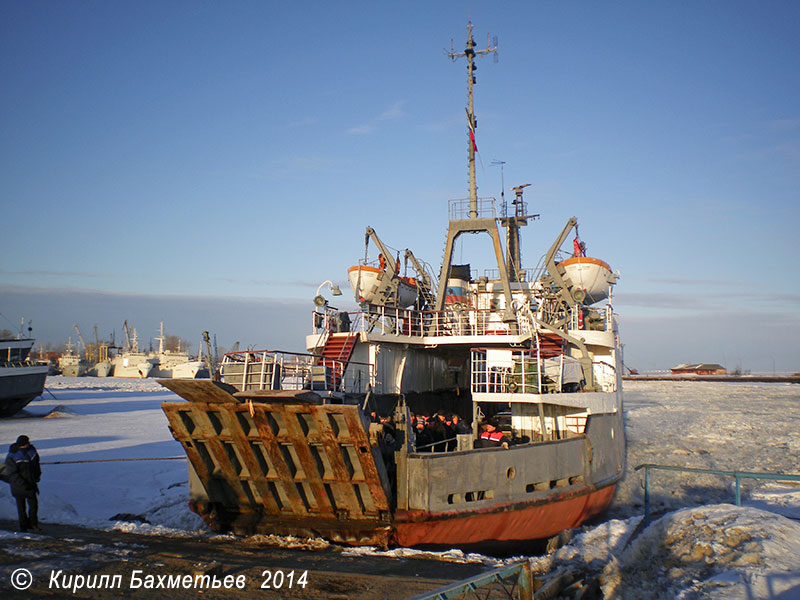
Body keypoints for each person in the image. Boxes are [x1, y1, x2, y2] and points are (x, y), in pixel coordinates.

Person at [4, 435, 41, 532]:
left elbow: (36, 465)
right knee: (21, 508)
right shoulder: (12, 455)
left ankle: (33, 524)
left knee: (34, 506)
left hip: (31, 483)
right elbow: (12, 473)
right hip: (19, 486)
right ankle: (24, 527)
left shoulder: (31, 451)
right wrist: (23, 484)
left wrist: (37, 476)